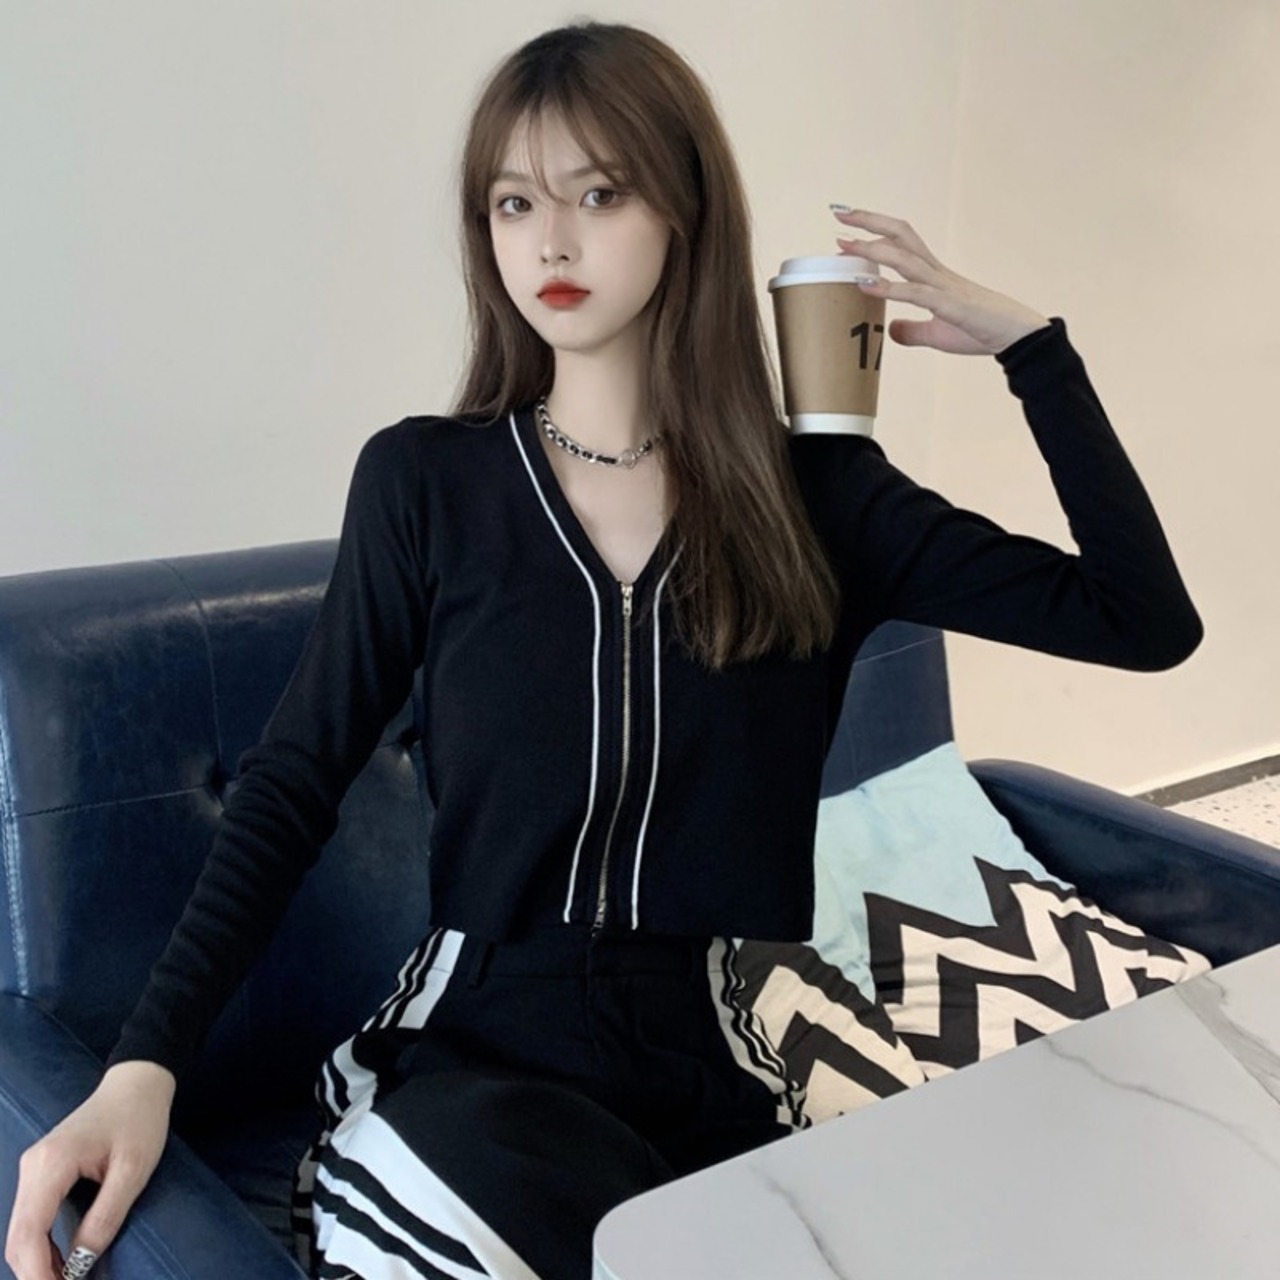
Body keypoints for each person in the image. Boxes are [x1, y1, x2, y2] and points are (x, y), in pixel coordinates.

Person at [5, 18, 1202, 1280]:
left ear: (684, 212)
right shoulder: (427, 481)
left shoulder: (819, 496)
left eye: (600, 193)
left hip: (720, 1055)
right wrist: (145, 1062)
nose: (550, 242)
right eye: (513, 202)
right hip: (474, 1051)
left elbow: (1141, 620)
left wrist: (1030, 353)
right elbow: (294, 777)